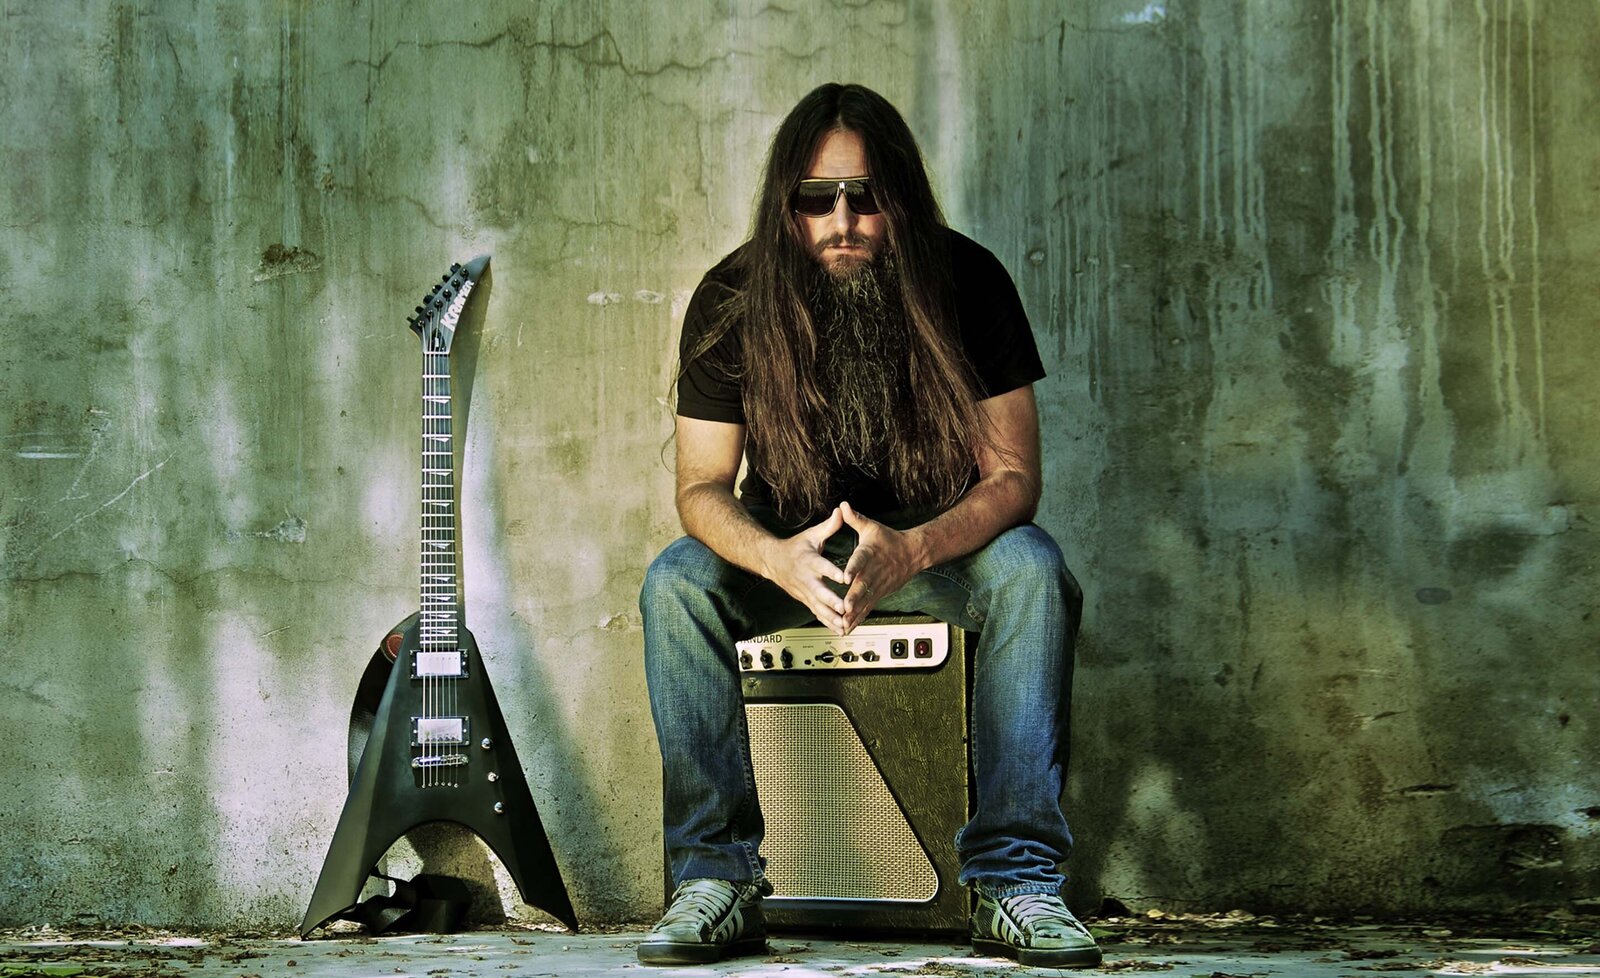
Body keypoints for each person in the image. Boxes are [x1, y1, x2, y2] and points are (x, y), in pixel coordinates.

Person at [637, 82, 1099, 969]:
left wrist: (916, 547)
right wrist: (775, 559)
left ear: (902, 199)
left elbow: (1014, 478)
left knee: (1034, 570)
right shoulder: (733, 298)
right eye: (817, 198)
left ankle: (1016, 883)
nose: (842, 219)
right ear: (787, 205)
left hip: (932, 543)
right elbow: (700, 488)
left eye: (867, 195)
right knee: (676, 584)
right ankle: (716, 876)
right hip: (792, 549)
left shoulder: (970, 282)